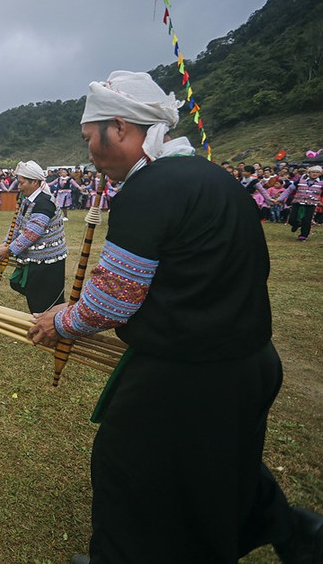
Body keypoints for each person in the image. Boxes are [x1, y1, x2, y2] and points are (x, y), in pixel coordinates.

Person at [27, 70, 322, 564]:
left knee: (127, 469)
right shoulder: (210, 176)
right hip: (251, 362)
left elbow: (112, 301)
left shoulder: (150, 190)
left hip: (188, 372)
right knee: (221, 465)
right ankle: (293, 531)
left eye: (89, 139)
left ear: (118, 128)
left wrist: (58, 321)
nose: (89, 154)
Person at [0, 160, 67, 313]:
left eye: (21, 183)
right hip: (37, 260)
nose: (18, 187)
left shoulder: (44, 203)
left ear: (35, 182)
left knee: (46, 300)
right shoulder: (28, 200)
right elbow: (18, 224)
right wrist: (6, 243)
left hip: (48, 262)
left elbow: (32, 233)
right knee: (35, 295)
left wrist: (9, 250)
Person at [279, 164, 322, 240]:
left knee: (306, 219)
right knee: (292, 219)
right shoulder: (301, 180)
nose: (315, 174)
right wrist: (280, 198)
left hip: (311, 203)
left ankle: (304, 235)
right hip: (297, 201)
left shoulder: (321, 183)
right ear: (309, 173)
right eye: (313, 172)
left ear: (320, 174)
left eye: (317, 172)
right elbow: (289, 190)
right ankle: (296, 224)